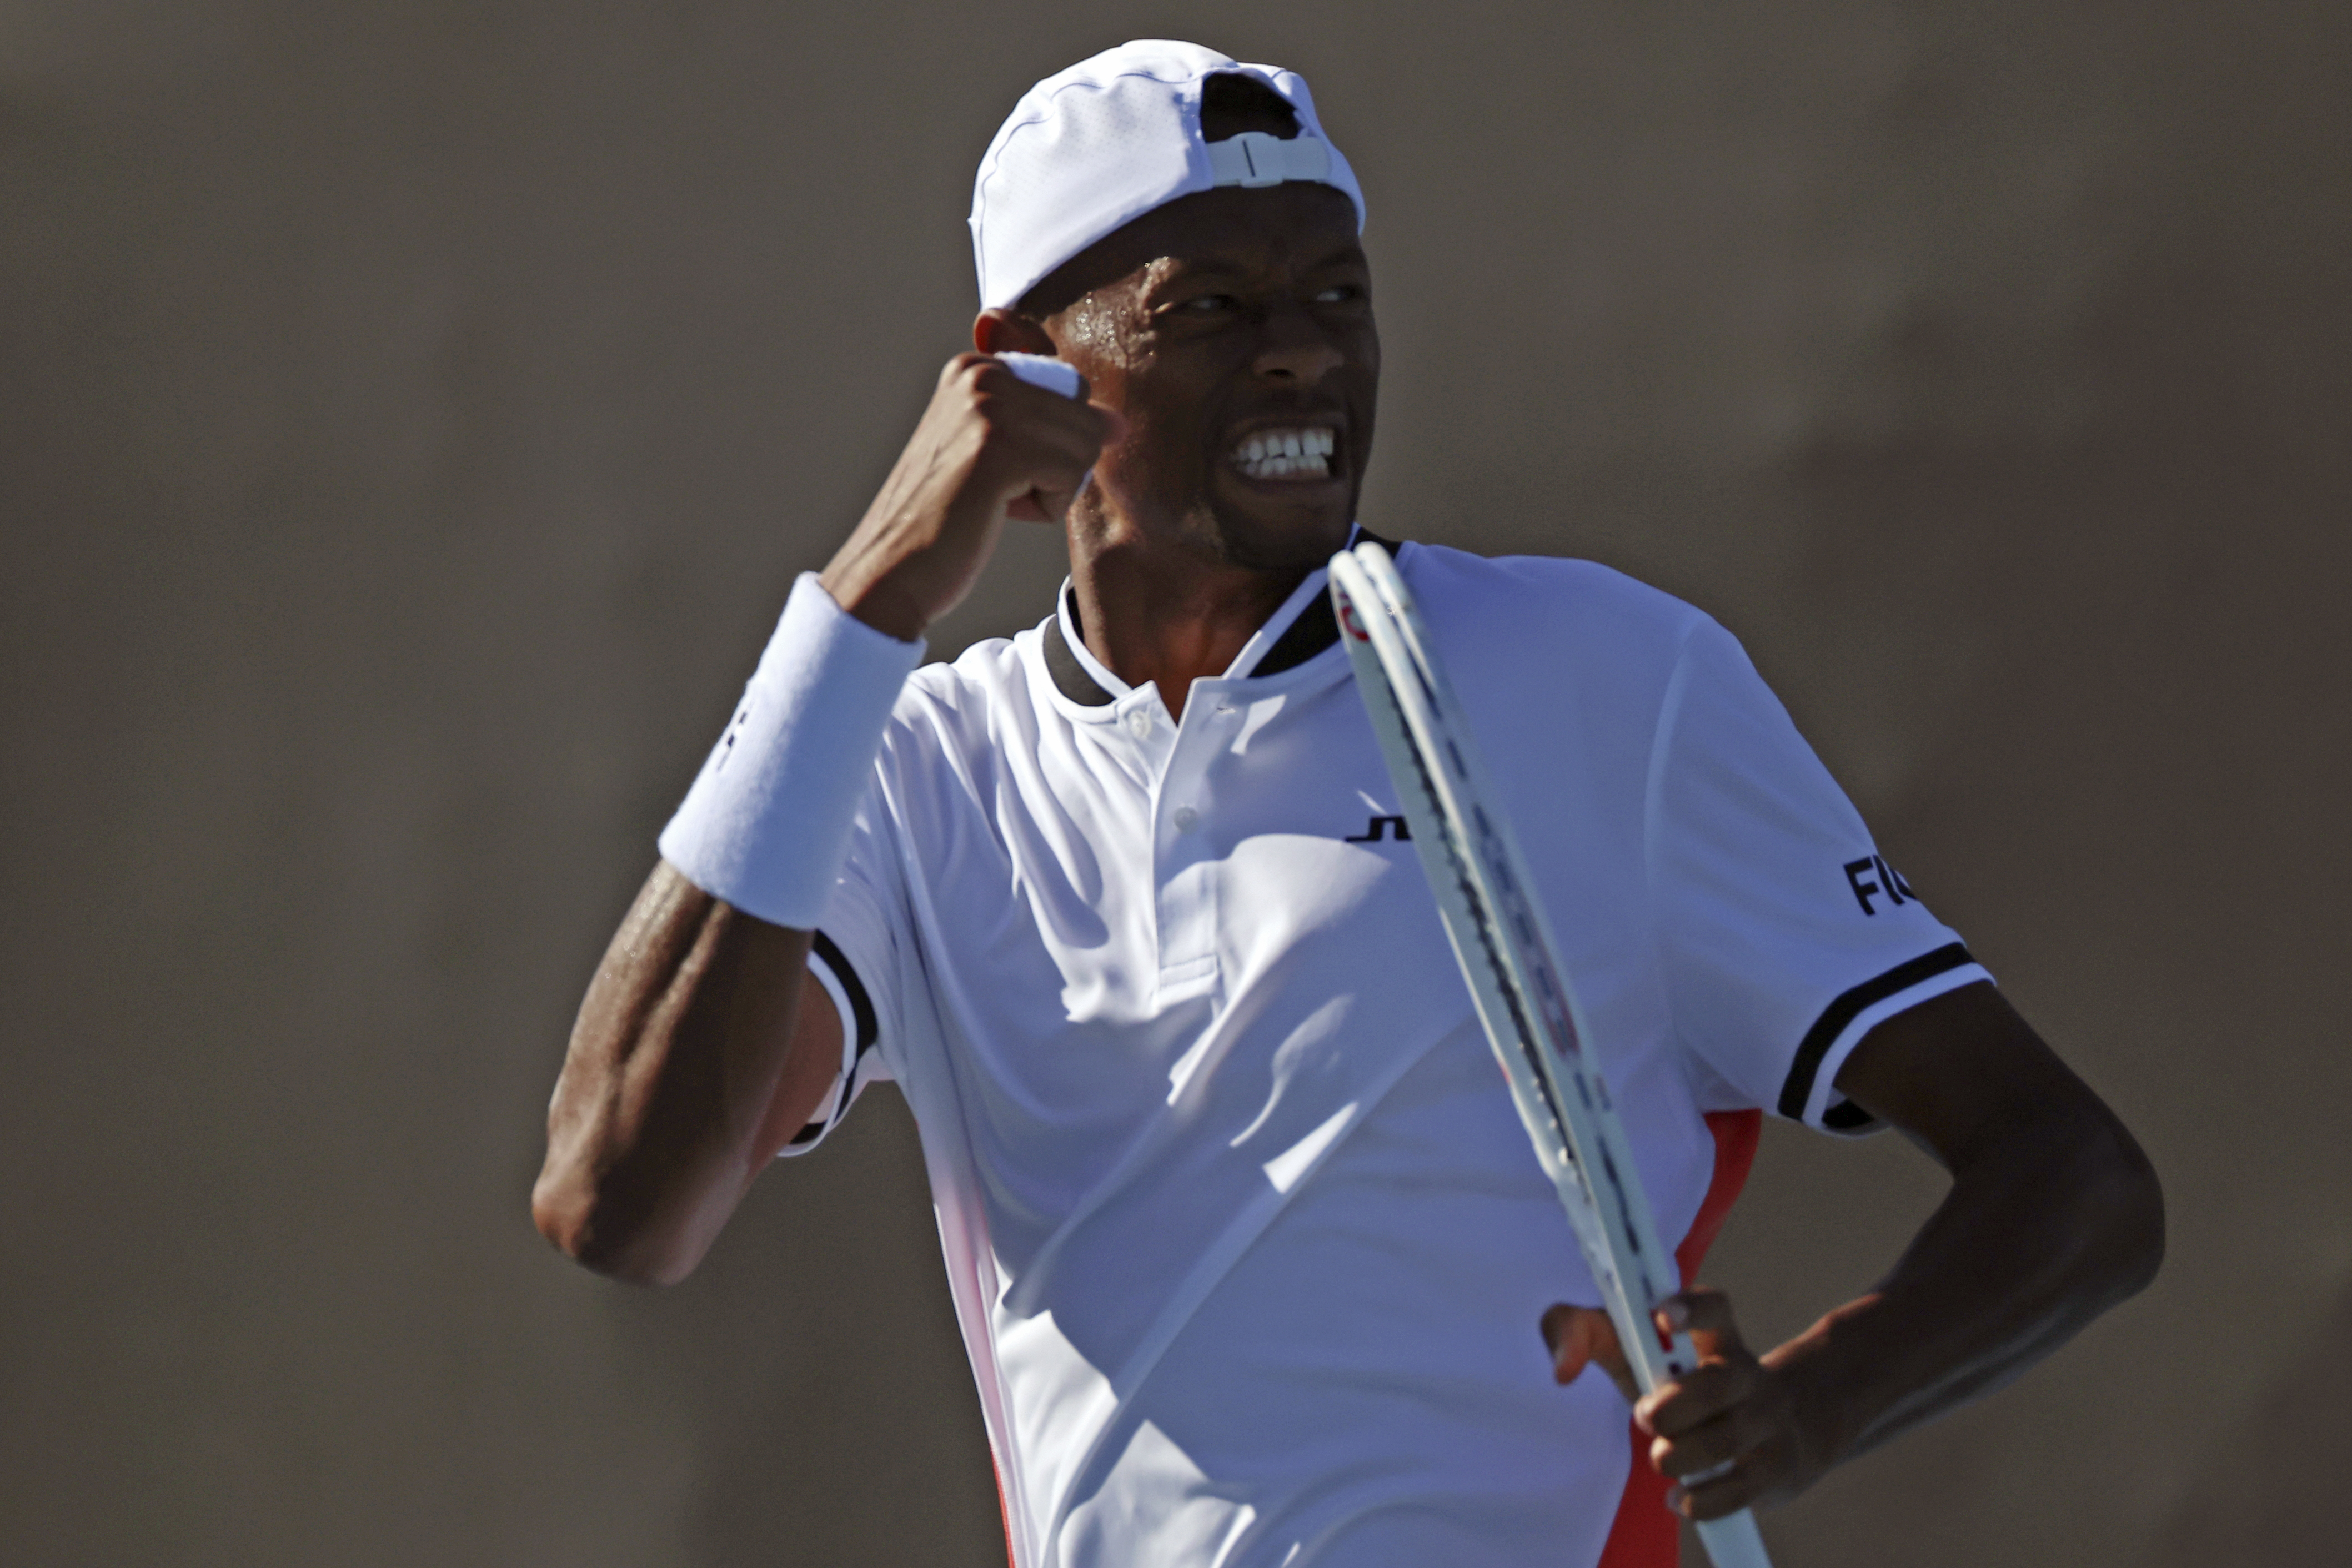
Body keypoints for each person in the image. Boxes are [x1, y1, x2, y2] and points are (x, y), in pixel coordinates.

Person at [532, 40, 2162, 1568]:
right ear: (1023, 369)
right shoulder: (914, 764)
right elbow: (622, 1203)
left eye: (1336, 294)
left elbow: (2073, 1177)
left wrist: (1813, 1401)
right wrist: (869, 599)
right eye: (1212, 308)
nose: (1302, 347)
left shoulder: (1606, 677)